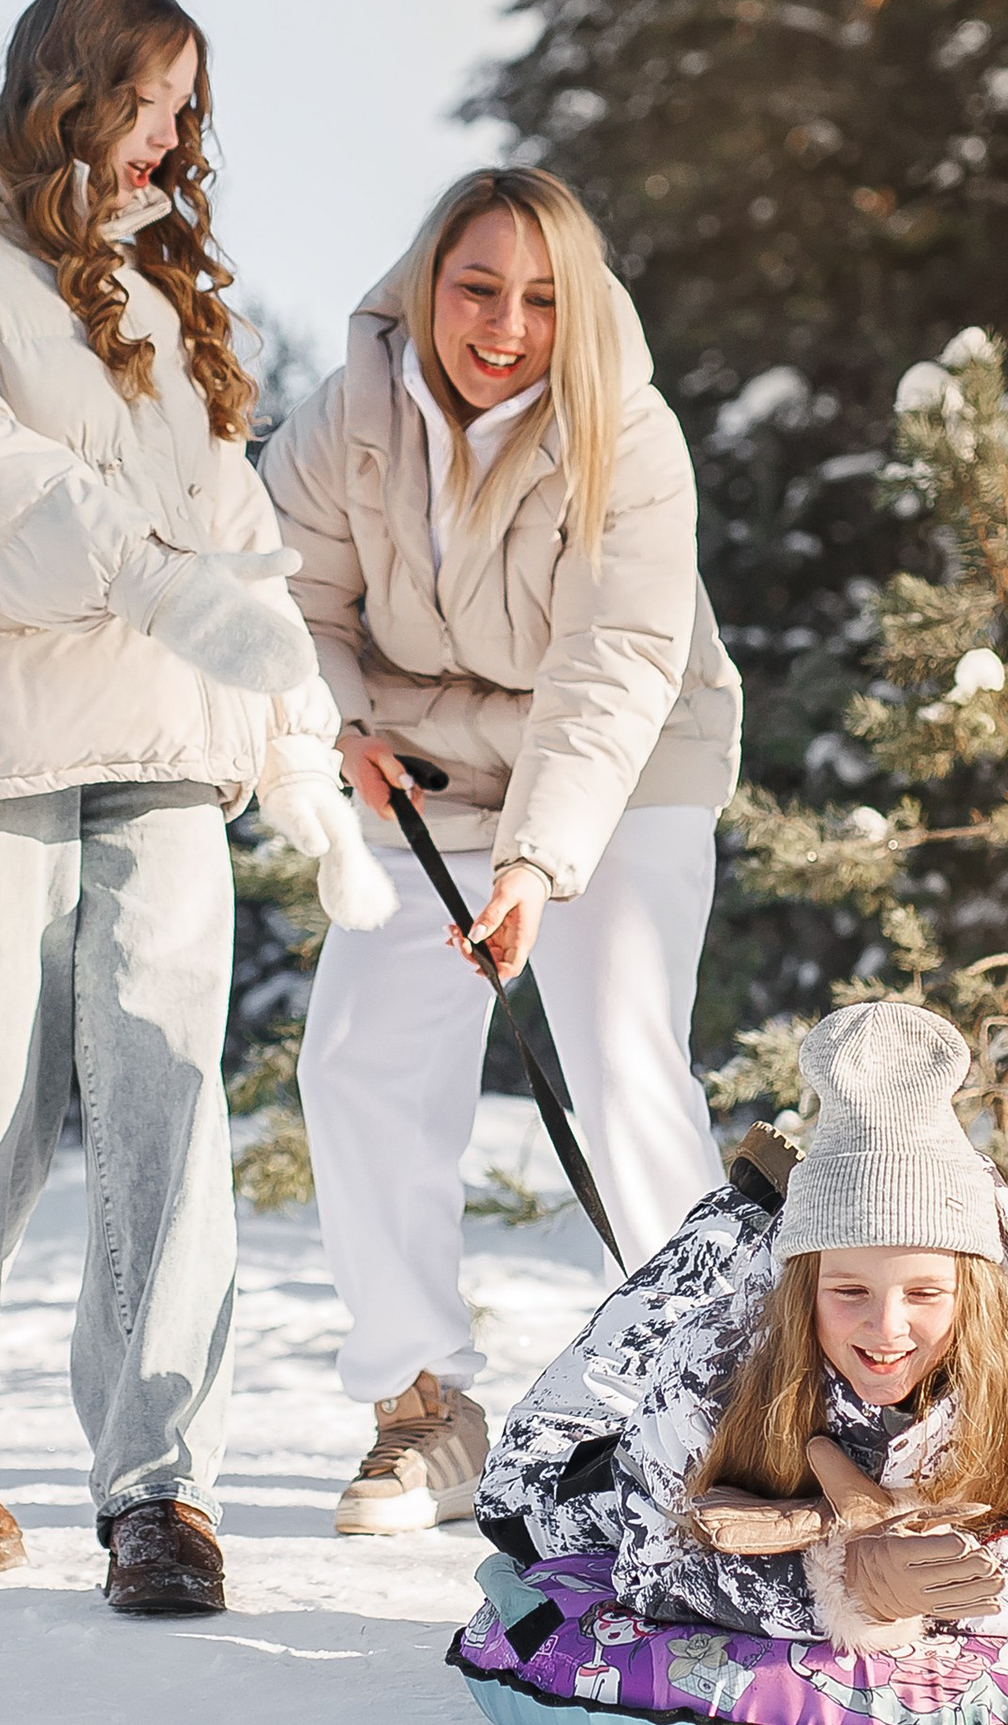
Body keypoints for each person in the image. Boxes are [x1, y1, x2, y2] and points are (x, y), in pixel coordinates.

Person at [0, 0, 385, 1620]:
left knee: (163, 1105)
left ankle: (159, 1491)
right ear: (60, 83)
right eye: (143, 101)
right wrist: (152, 582)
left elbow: (238, 563)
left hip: (157, 744)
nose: (164, 140)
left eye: (185, 112)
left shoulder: (151, 298)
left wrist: (302, 769)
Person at [261, 164, 740, 1539]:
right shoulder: (349, 415)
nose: (506, 324)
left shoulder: (626, 436)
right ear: (427, 284)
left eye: (542, 297)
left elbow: (615, 665)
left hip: (625, 760)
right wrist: (338, 724)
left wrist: (536, 866)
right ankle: (424, 1409)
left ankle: (710, 1402)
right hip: (417, 761)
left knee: (619, 1057)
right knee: (357, 1058)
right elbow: (291, 596)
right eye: (478, 286)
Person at [499, 994, 1008, 1689]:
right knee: (517, 1507)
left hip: (832, 1275)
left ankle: (806, 1223)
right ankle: (739, 1217)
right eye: (849, 1291)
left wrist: (920, 1579)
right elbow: (648, 1566)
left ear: (971, 1289)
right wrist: (838, 1583)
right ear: (807, 1288)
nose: (887, 1329)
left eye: (924, 1294)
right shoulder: (716, 1358)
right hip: (595, 1453)